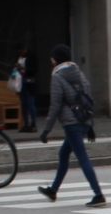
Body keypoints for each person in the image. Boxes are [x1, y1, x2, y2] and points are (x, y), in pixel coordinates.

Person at [35, 43, 106, 205]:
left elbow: (55, 105)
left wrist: (46, 130)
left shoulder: (58, 77)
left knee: (82, 158)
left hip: (71, 123)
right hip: (83, 120)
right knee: (64, 154)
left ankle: (98, 194)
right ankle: (53, 190)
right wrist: (90, 125)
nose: (51, 60)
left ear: (56, 59)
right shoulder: (79, 73)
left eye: (52, 57)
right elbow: (88, 99)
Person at [10, 42, 36, 131]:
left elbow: (35, 69)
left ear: (25, 49)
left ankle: (33, 123)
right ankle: (26, 124)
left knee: (30, 103)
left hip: (29, 81)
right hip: (21, 81)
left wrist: (24, 69)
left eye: (21, 52)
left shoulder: (32, 56)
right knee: (23, 103)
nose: (20, 54)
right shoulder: (18, 57)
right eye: (19, 52)